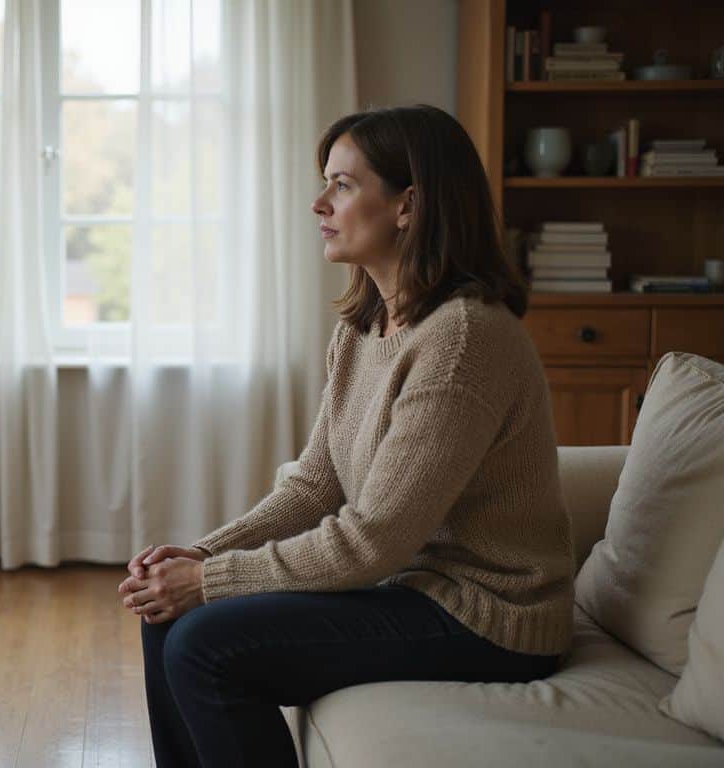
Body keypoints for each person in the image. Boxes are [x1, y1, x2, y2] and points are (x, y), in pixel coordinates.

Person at [118, 104, 572, 768]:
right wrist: (198, 555)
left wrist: (210, 580)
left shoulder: (463, 339)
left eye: (343, 184)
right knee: (169, 621)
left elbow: (371, 543)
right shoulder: (363, 331)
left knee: (204, 643)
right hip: (416, 591)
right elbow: (313, 485)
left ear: (407, 205)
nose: (318, 202)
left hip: (487, 616)